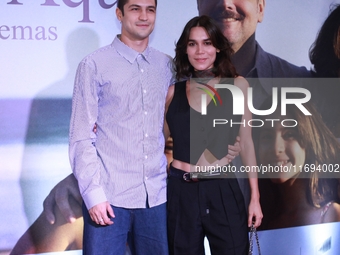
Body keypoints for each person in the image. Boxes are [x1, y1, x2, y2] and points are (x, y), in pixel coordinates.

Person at [42, 0, 312, 231]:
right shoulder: (171, 82)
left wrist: (256, 196)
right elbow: (144, 135)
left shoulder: (303, 84)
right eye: (195, 44)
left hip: (269, 228)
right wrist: (90, 180)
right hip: (182, 206)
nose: (227, 3)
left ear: (261, 7)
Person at [68, 0, 175, 253]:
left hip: (156, 197)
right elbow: (81, 137)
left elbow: (175, 119)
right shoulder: (94, 64)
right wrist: (93, 195)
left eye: (150, 9)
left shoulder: (167, 66)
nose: (144, 16)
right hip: (109, 197)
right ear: (119, 14)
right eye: (135, 9)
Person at [165, 15, 262, 255]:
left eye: (207, 43)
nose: (200, 51)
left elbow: (247, 143)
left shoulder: (237, 86)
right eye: (192, 43)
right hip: (181, 192)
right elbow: (156, 142)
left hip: (222, 189)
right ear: (185, 50)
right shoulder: (171, 93)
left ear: (218, 47)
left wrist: (255, 198)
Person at [254, 97, 340, 230]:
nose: (276, 149)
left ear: (310, 142)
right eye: (267, 136)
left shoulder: (331, 216)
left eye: (289, 134)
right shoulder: (255, 221)